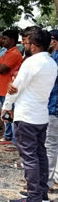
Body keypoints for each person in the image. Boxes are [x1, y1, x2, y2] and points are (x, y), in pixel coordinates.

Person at [4, 27, 57, 202]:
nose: (23, 44)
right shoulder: (51, 62)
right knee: (40, 154)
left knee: (29, 158)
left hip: (26, 116)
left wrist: (6, 107)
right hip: (41, 115)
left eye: (25, 42)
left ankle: (33, 197)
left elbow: (16, 88)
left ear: (33, 45)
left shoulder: (31, 62)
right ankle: (41, 194)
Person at [0, 30, 22, 146]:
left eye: (5, 38)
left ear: (12, 40)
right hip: (1, 88)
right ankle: (7, 135)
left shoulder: (15, 53)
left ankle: (13, 139)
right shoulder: (5, 53)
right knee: (5, 115)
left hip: (9, 89)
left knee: (11, 114)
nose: (2, 41)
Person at [44, 29, 58, 191]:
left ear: (53, 41)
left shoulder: (53, 59)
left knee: (50, 145)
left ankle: (47, 183)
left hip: (53, 106)